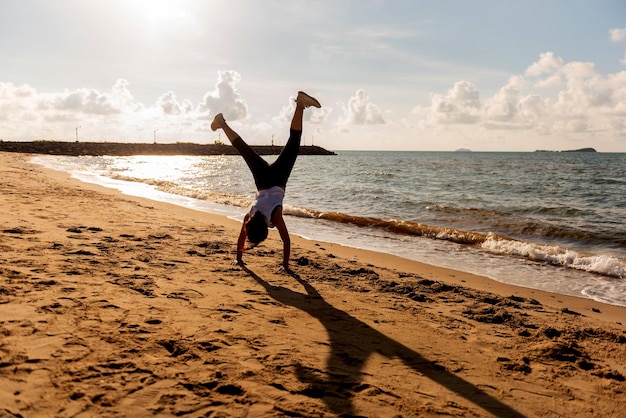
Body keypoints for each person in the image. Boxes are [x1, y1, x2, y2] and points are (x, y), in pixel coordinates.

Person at [210, 91, 321, 270]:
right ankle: (222, 124)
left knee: (294, 142)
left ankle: (300, 106)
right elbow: (241, 239)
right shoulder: (250, 214)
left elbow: (286, 241)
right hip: (262, 180)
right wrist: (238, 258)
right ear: (251, 224)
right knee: (244, 150)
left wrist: (285, 266)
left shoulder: (275, 218)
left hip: (278, 179)